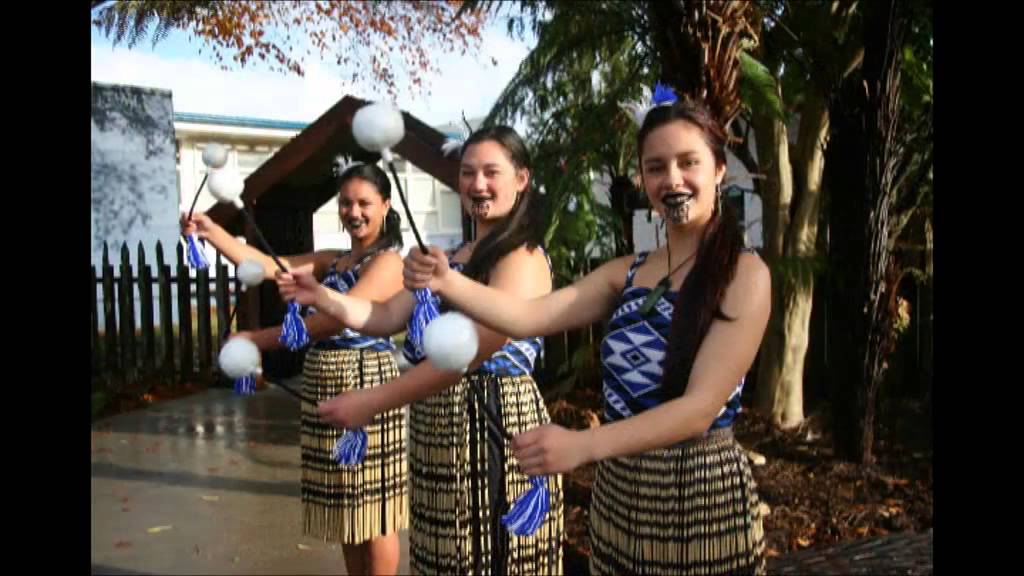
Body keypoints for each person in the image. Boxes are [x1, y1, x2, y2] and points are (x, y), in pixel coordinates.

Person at [402, 97, 771, 575]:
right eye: (656, 167)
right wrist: (446, 280)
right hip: (620, 497)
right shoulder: (627, 273)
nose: (672, 180)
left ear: (719, 169)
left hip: (700, 496)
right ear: (642, 178)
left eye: (689, 163)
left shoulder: (744, 273)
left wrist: (581, 446)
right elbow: (527, 318)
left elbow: (698, 410)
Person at [279, 126, 564, 575]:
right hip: (438, 430)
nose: (478, 184)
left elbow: (470, 352)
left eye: (492, 172)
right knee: (443, 556)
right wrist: (323, 297)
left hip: (493, 423)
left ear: (522, 178)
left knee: (488, 558)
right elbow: (385, 315)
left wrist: (372, 400)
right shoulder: (450, 257)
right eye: (468, 173)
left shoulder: (522, 257)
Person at [181, 161, 408, 576]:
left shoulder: (389, 263)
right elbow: (268, 264)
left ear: (386, 205)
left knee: (374, 511)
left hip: (365, 383)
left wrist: (257, 340)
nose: (353, 212)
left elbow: (333, 319)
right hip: (325, 383)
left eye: (364, 203)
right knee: (345, 507)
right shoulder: (332, 260)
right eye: (345, 203)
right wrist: (212, 232)